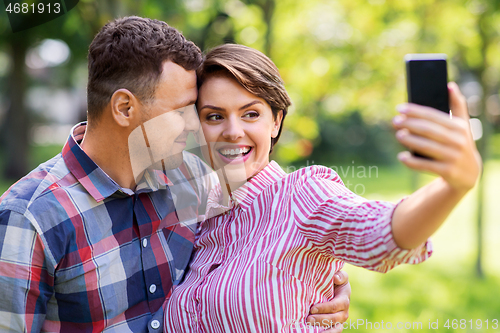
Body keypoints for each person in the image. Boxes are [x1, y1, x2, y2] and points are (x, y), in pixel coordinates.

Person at [0, 17, 350, 332]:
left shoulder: (191, 181)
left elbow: (265, 236)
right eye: (183, 111)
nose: (195, 125)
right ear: (125, 108)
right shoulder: (29, 218)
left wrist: (328, 279)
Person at [162, 44, 482, 332]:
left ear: (275, 121)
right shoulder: (196, 211)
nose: (232, 131)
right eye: (215, 116)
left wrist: (453, 186)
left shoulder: (304, 194)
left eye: (250, 114)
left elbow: (381, 230)